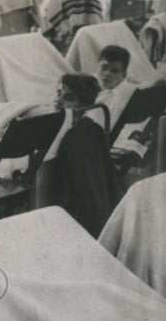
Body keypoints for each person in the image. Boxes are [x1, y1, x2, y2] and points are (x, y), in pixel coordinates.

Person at [52, 73, 121, 238]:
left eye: (68, 98)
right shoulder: (92, 129)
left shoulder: (76, 138)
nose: (58, 100)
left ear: (82, 107)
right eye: (58, 93)